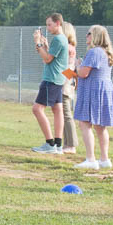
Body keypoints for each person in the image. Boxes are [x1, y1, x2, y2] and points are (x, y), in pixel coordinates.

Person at [73, 25, 113, 170]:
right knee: (100, 126)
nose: (86, 36)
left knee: (85, 123)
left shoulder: (94, 52)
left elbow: (84, 73)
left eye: (89, 34)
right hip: (103, 89)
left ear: (96, 36)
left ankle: (91, 159)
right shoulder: (105, 52)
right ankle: (104, 159)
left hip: (93, 90)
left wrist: (77, 65)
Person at [30, 13, 68, 154]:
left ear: (58, 23)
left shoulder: (58, 39)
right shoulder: (61, 39)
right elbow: (50, 58)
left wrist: (38, 43)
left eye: (49, 24)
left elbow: (47, 60)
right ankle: (58, 144)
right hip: (58, 79)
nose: (48, 28)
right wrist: (44, 46)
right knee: (57, 110)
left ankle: (50, 143)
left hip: (51, 80)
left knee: (37, 109)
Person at [61, 22, 78, 155]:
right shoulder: (70, 47)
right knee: (63, 113)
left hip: (65, 83)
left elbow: (68, 68)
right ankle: (66, 143)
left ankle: (71, 144)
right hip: (67, 81)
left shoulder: (68, 47)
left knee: (66, 114)